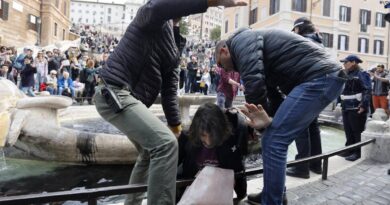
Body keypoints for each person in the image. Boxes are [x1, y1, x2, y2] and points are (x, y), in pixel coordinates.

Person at [93, 0, 247, 204]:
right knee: (165, 145)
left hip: (125, 98)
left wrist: (175, 127)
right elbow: (158, 8)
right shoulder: (151, 18)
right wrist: (210, 2)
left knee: (150, 153)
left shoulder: (175, 47)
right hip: (113, 92)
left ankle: (132, 202)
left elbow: (169, 91)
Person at [215, 27, 346, 205]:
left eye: (220, 63)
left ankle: (272, 200)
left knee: (274, 140)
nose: (222, 68)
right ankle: (273, 194)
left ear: (224, 51)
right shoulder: (254, 48)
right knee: (273, 137)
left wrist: (261, 123)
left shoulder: (240, 42)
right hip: (323, 77)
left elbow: (254, 82)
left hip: (319, 77)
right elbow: (273, 95)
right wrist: (268, 122)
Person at [177, 103, 250, 203]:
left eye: (212, 135)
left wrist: (241, 194)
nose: (208, 141)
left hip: (218, 192)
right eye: (203, 135)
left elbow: (238, 168)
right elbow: (173, 166)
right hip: (193, 192)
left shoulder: (230, 140)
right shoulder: (186, 139)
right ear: (196, 130)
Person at [286, 17, 324, 179]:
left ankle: (301, 167)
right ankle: (316, 164)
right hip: (320, 88)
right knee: (313, 127)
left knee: (300, 126)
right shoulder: (318, 42)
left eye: (294, 29)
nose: (293, 33)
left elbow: (295, 68)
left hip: (307, 87)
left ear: (299, 29)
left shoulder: (302, 42)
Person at [339, 55, 371, 162]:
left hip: (356, 107)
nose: (344, 64)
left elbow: (367, 90)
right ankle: (349, 149)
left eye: (346, 62)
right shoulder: (347, 73)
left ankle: (358, 152)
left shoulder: (362, 73)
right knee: (348, 130)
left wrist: (363, 105)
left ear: (353, 62)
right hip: (346, 106)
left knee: (357, 131)